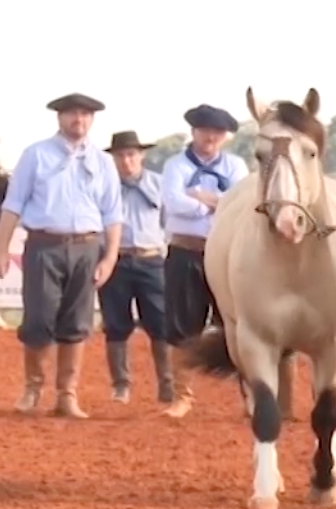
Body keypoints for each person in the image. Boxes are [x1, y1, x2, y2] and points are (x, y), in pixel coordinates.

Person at [0, 92, 123, 419]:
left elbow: (112, 213)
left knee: (77, 321)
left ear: (92, 120)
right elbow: (13, 205)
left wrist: (110, 258)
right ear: (59, 118)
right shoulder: (36, 155)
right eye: (72, 114)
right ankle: (32, 389)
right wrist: (0, 250)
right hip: (43, 244)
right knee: (38, 318)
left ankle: (67, 395)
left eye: (85, 114)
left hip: (87, 246)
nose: (78, 120)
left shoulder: (103, 162)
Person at [160, 104, 249, 418]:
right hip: (187, 250)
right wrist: (212, 205)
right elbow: (173, 203)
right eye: (204, 130)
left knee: (238, 325)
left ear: (224, 137)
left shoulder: (237, 166)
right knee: (182, 325)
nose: (210, 136)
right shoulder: (175, 165)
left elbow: (241, 203)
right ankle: (181, 397)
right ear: (194, 131)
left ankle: (249, 396)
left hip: (226, 252)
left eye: (217, 132)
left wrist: (200, 197)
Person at [99, 130, 173, 405]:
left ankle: (167, 383)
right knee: (116, 324)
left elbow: (169, 221)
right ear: (113, 158)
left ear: (141, 155)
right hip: (116, 259)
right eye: (120, 155)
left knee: (161, 323)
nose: (126, 161)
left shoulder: (160, 185)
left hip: (151, 259)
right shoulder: (105, 188)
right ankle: (121, 384)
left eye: (131, 154)